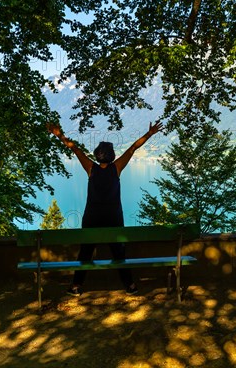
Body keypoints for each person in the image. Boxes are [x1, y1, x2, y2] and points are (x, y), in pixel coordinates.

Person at [47, 121, 164, 296]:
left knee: (85, 251)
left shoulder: (91, 168)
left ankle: (76, 286)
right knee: (119, 252)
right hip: (113, 217)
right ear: (112, 156)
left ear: (96, 156)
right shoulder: (116, 168)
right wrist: (150, 134)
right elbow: (133, 148)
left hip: (91, 217)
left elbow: (76, 150)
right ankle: (130, 285)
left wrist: (59, 135)